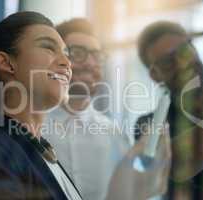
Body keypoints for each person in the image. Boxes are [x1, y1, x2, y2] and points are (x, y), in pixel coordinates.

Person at [0, 11, 83, 200]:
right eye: (48, 47)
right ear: (6, 63)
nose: (67, 62)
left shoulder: (37, 151)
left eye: (66, 54)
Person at [136, 21, 203, 199]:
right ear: (155, 74)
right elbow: (167, 166)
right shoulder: (149, 125)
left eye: (185, 51)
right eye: (168, 61)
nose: (184, 63)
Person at [42, 18, 133, 200]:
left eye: (96, 56)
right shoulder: (27, 129)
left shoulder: (116, 136)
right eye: (77, 53)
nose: (91, 64)